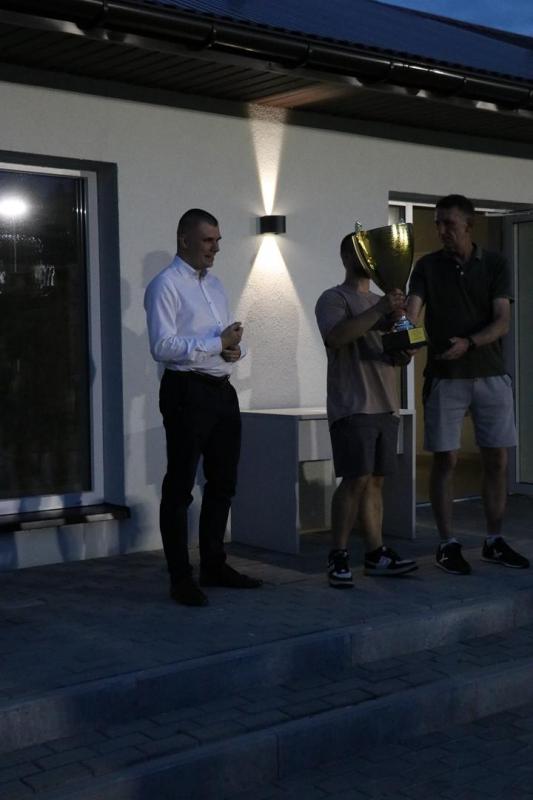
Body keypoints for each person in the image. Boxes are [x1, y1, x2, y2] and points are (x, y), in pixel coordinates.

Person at [144, 208, 263, 606]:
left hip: (220, 389)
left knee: (223, 482)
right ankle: (180, 578)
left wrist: (235, 350)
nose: (216, 248)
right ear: (184, 240)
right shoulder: (165, 285)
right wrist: (217, 344)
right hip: (186, 391)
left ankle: (214, 564)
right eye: (208, 240)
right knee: (179, 487)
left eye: (218, 240)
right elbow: (162, 346)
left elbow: (225, 337)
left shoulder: (214, 285)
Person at [406, 194, 529, 575]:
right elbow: (412, 314)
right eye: (438, 223)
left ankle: (494, 540)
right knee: (446, 459)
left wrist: (470, 343)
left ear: (469, 225)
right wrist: (405, 339)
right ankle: (447, 544)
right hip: (445, 377)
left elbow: (502, 321)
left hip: (490, 374)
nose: (441, 230)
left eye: (449, 223)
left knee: (497, 459)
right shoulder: (426, 266)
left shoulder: (494, 264)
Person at [315, 233, 418, 588]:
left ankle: (376, 553)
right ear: (346, 257)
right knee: (355, 478)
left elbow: (399, 355)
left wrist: (405, 343)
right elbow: (336, 337)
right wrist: (380, 311)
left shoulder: (383, 301)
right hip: (353, 403)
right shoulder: (334, 298)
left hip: (386, 402)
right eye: (360, 253)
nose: (368, 260)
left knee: (375, 481)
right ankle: (338, 554)